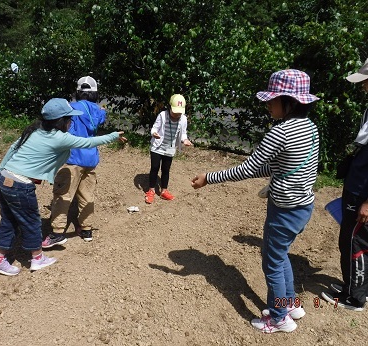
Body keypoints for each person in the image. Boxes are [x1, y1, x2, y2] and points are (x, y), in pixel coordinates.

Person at [191, 69, 320, 333]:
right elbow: (276, 168)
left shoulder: (280, 132)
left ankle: (279, 318)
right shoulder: (310, 128)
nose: (267, 104)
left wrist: (210, 177)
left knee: (272, 262)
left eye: (272, 100)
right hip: (303, 206)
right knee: (280, 255)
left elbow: (248, 169)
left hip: (283, 210)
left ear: (290, 102)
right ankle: (291, 304)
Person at [0, 98, 126, 276]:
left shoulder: (35, 130)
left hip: (4, 179)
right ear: (62, 121)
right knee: (32, 221)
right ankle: (37, 258)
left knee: (9, 220)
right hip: (20, 185)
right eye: (69, 119)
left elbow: (14, 147)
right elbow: (88, 143)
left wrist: (0, 168)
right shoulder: (59, 138)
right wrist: (114, 135)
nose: (71, 122)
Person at [321, 59, 368, 311]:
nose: (363, 88)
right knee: (355, 239)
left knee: (354, 241)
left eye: (365, 82)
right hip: (357, 184)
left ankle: (354, 298)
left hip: (363, 190)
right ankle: (356, 286)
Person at [45, 76, 106, 246]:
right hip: (91, 158)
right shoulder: (99, 111)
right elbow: (101, 117)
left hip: (72, 158)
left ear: (78, 92)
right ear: (94, 93)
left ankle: (57, 232)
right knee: (87, 194)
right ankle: (86, 229)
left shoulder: (70, 108)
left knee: (63, 194)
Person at [144, 94, 192, 204]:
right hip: (157, 146)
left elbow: (183, 133)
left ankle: (164, 190)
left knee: (166, 170)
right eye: (175, 112)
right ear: (169, 107)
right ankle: (151, 190)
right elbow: (154, 128)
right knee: (155, 168)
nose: (176, 115)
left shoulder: (183, 119)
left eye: (179, 113)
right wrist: (154, 133)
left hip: (170, 148)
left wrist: (185, 140)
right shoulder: (162, 115)